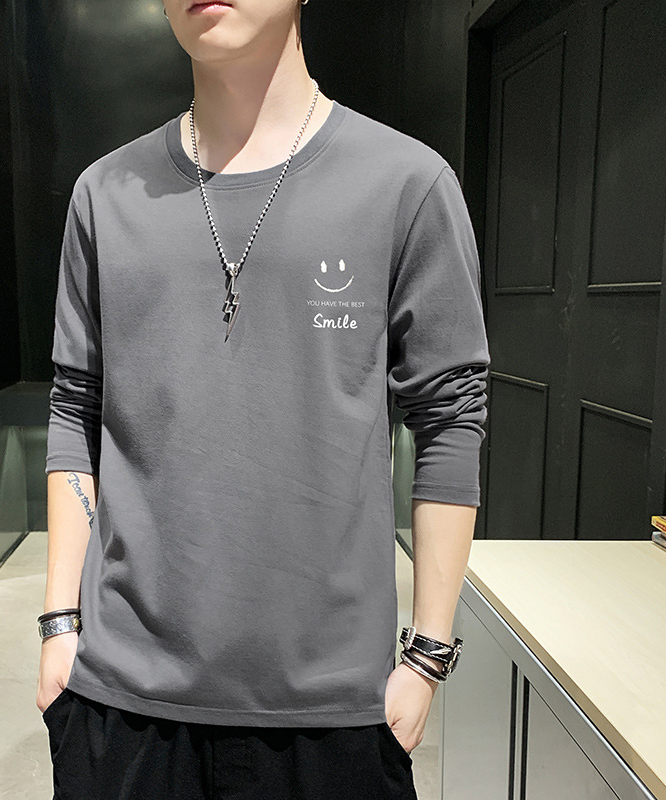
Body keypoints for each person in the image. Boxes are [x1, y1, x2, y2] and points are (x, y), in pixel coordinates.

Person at [35, 0, 490, 797]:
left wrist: (427, 656)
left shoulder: (406, 184)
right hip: (121, 700)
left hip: (334, 711)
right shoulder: (104, 195)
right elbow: (76, 403)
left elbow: (451, 413)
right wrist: (58, 628)